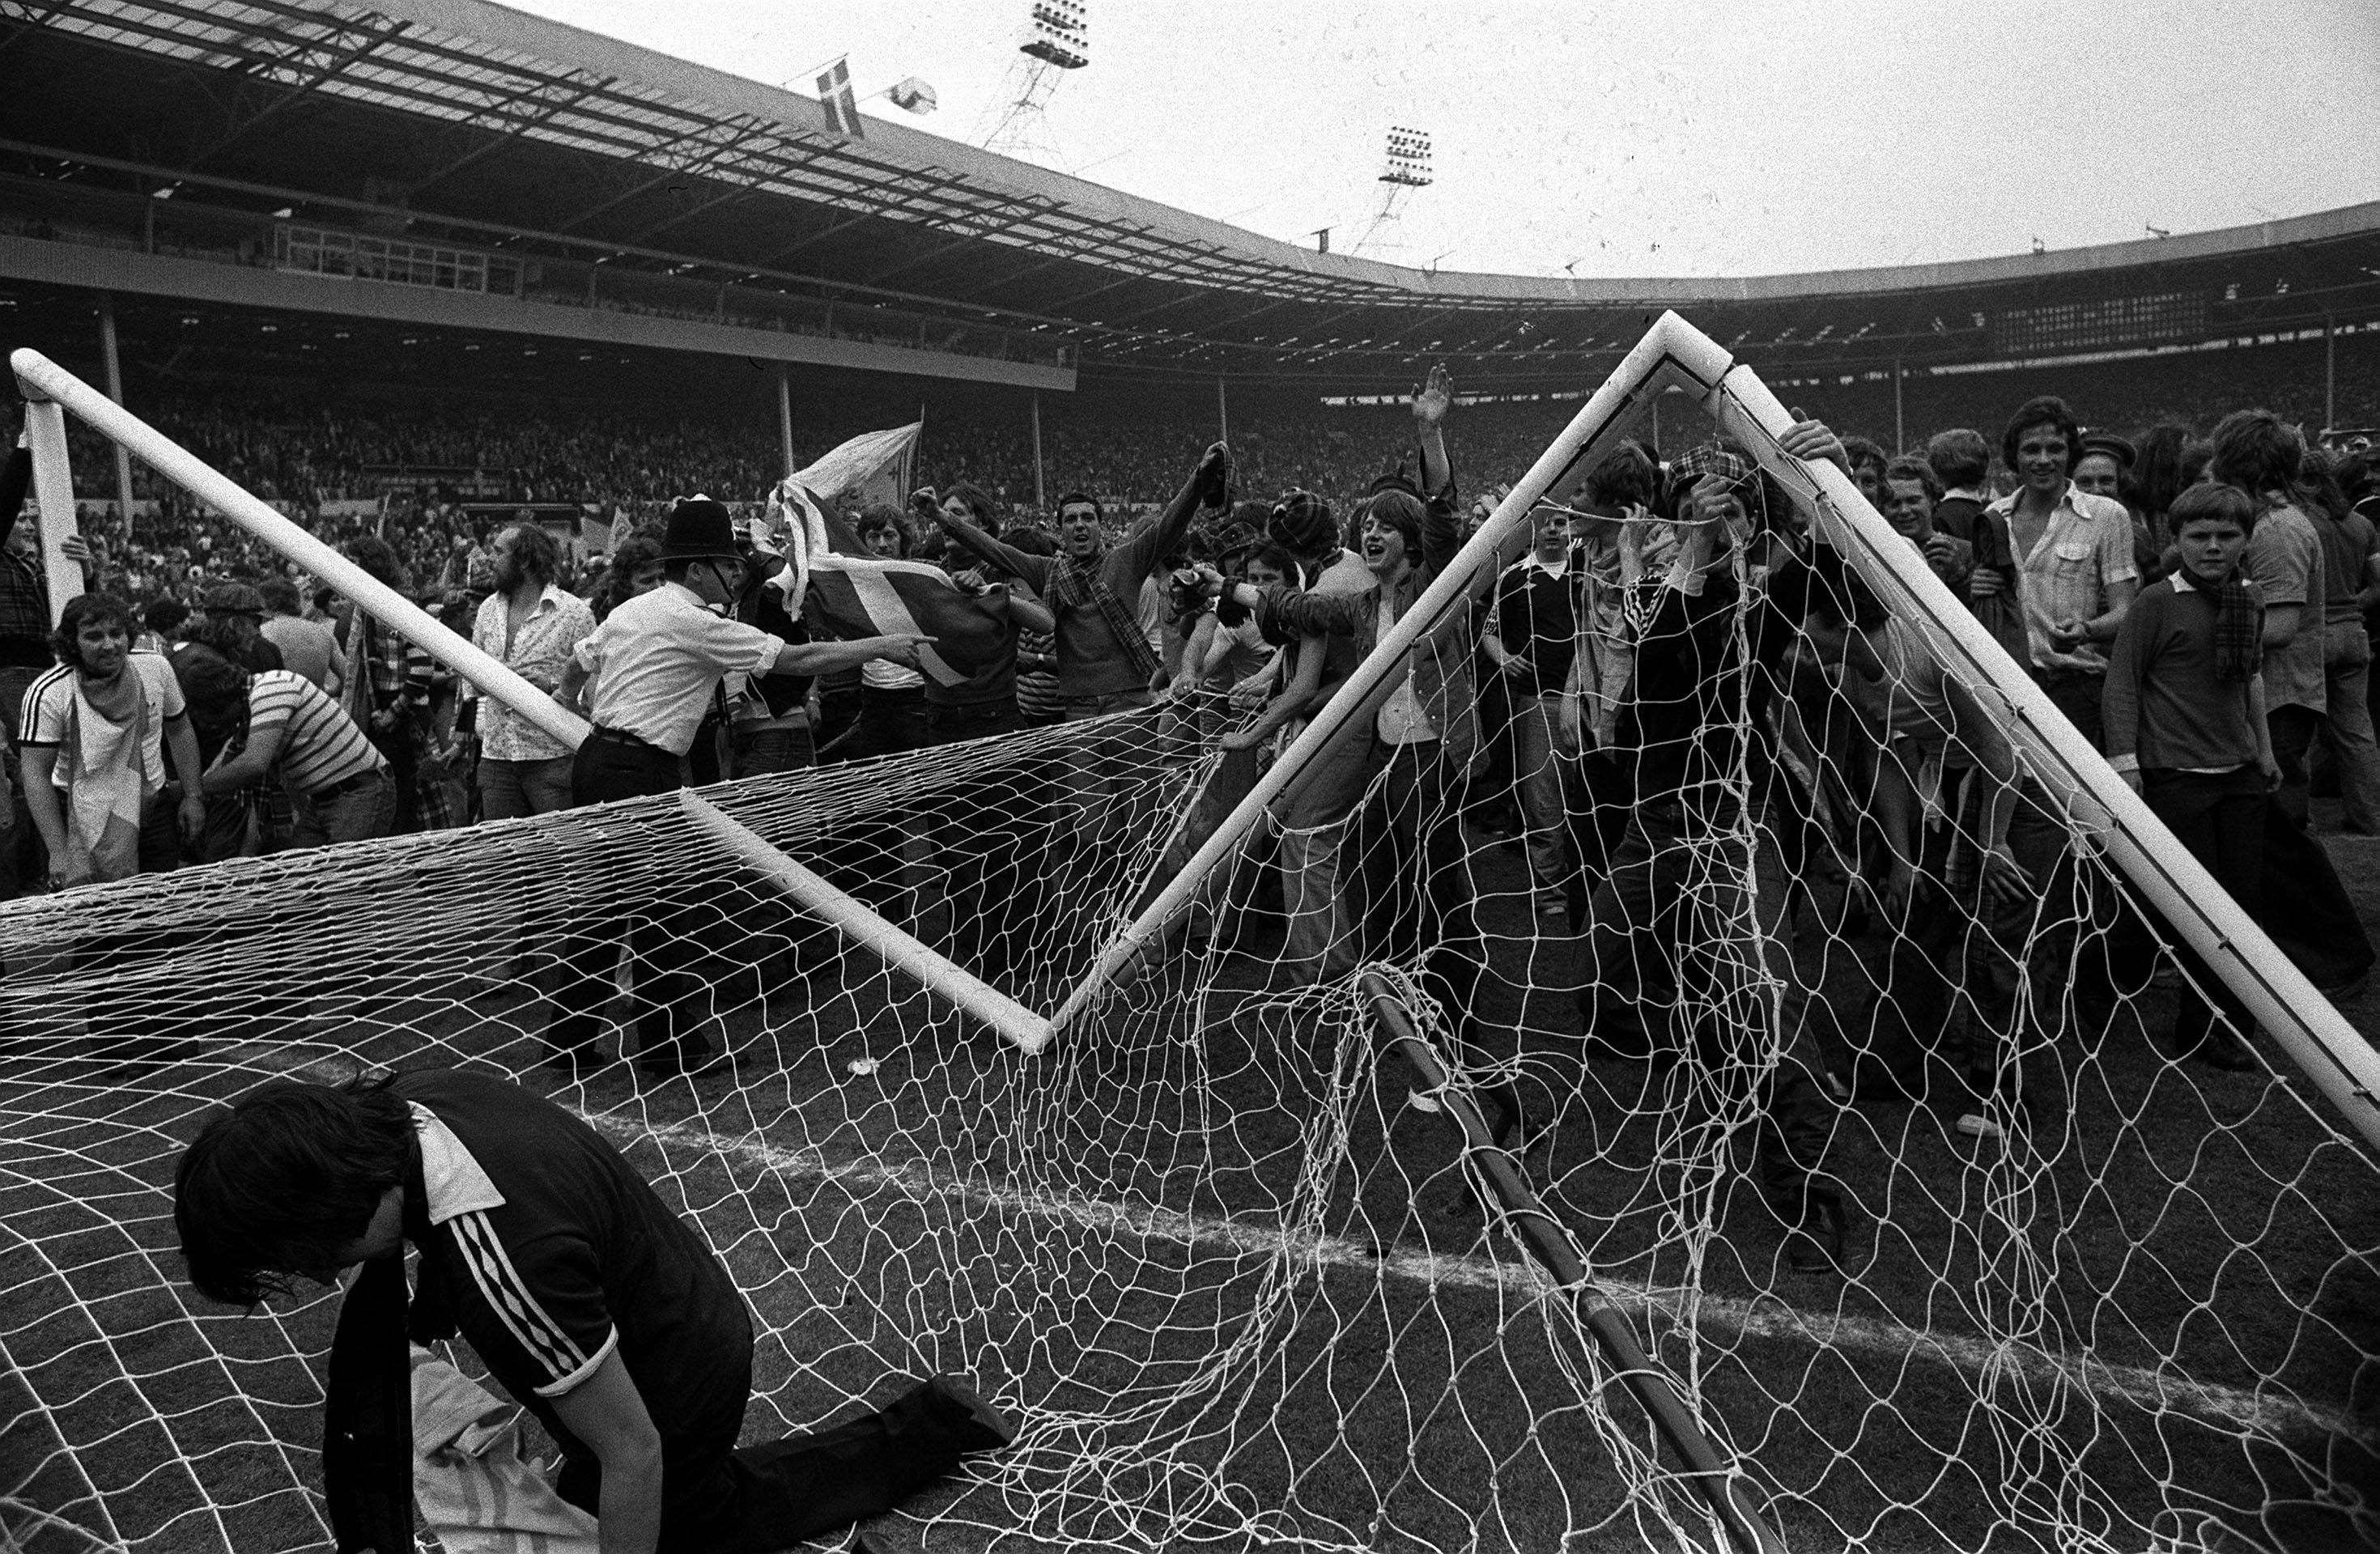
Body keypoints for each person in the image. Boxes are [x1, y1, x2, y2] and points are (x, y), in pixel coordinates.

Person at [173, 1068, 1014, 1554]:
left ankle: (933, 1426)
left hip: (675, 1375)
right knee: (606, 1503)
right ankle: (931, 1423)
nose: (314, 1283)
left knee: (691, 1524)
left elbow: (636, 1450)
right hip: (668, 1294)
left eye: (290, 1262)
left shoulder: (507, 1264)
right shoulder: (405, 1109)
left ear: (319, 1216)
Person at [544, 498, 929, 1079]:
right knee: (658, 910)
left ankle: (571, 1043)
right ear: (697, 569)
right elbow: (799, 660)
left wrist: (569, 705)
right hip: (639, 771)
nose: (736, 575)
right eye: (727, 564)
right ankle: (671, 1049)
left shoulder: (634, 609)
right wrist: (879, 646)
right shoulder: (696, 621)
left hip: (600, 760)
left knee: (607, 907)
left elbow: (577, 663)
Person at [2102, 482, 2275, 1071]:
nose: (2213, 547)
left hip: (2238, 776)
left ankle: (2229, 1022)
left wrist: (2264, 750)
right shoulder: (2156, 602)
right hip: (2177, 777)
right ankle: (2189, 1025)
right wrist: (2126, 765)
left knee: (2243, 905)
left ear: (2246, 542)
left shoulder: (2247, 598)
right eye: (2199, 536)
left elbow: (2250, 676)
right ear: (2177, 541)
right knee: (2194, 912)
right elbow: (2122, 681)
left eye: (2227, 536)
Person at [18, 592, 206, 886]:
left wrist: (193, 796)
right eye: (94, 637)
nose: (109, 645)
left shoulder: (155, 668)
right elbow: (35, 773)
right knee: (92, 919)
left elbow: (180, 730)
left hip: (151, 810)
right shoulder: (49, 691)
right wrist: (58, 850)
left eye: (116, 634)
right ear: (72, 643)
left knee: (160, 910)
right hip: (79, 818)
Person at [2216, 410, 2327, 827]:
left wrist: (2198, 638)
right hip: (2269, 695)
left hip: (2281, 699)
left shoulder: (2278, 530)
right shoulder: (2263, 523)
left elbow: (2280, 628)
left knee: (2281, 832)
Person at [1481, 501, 1589, 921]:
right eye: (1544, 525)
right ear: (1532, 531)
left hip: (1591, 699)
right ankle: (1549, 892)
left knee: (1587, 794)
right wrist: (1505, 658)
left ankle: (1590, 881)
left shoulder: (1588, 568)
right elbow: (1489, 632)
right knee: (1544, 800)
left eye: (1559, 523)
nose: (1551, 531)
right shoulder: (1513, 578)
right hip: (1538, 700)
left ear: (1569, 528)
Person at [181, 655, 396, 847]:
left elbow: (254, 764)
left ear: (219, 701)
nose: (209, 725)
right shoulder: (253, 710)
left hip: (358, 792)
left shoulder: (270, 690)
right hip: (328, 799)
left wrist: (191, 790)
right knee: (301, 877)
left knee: (345, 882)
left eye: (207, 717)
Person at [470, 520, 594, 821]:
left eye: (498, 552)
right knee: (505, 858)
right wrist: (489, 677)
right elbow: (472, 685)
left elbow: (595, 698)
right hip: (497, 758)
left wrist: (552, 683)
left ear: (524, 560)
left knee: (565, 856)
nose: (489, 559)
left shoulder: (574, 614)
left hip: (553, 761)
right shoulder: (488, 609)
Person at [257, 577, 342, 693]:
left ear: (264, 604)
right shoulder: (322, 632)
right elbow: (348, 676)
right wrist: (329, 693)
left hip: (275, 706)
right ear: (297, 601)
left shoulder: (262, 633)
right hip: (315, 705)